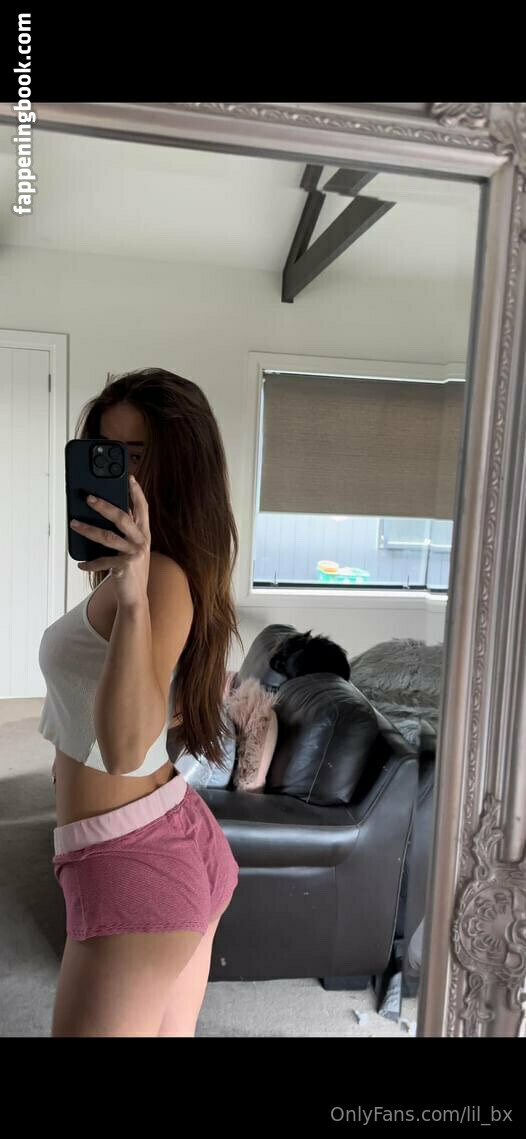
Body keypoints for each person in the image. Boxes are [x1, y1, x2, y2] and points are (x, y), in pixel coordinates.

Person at [38, 367, 242, 1037]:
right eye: (104, 453)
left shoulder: (158, 578)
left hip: (130, 861)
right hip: (169, 828)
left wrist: (129, 596)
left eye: (137, 455)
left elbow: (124, 749)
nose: (119, 475)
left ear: (179, 467)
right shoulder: (169, 571)